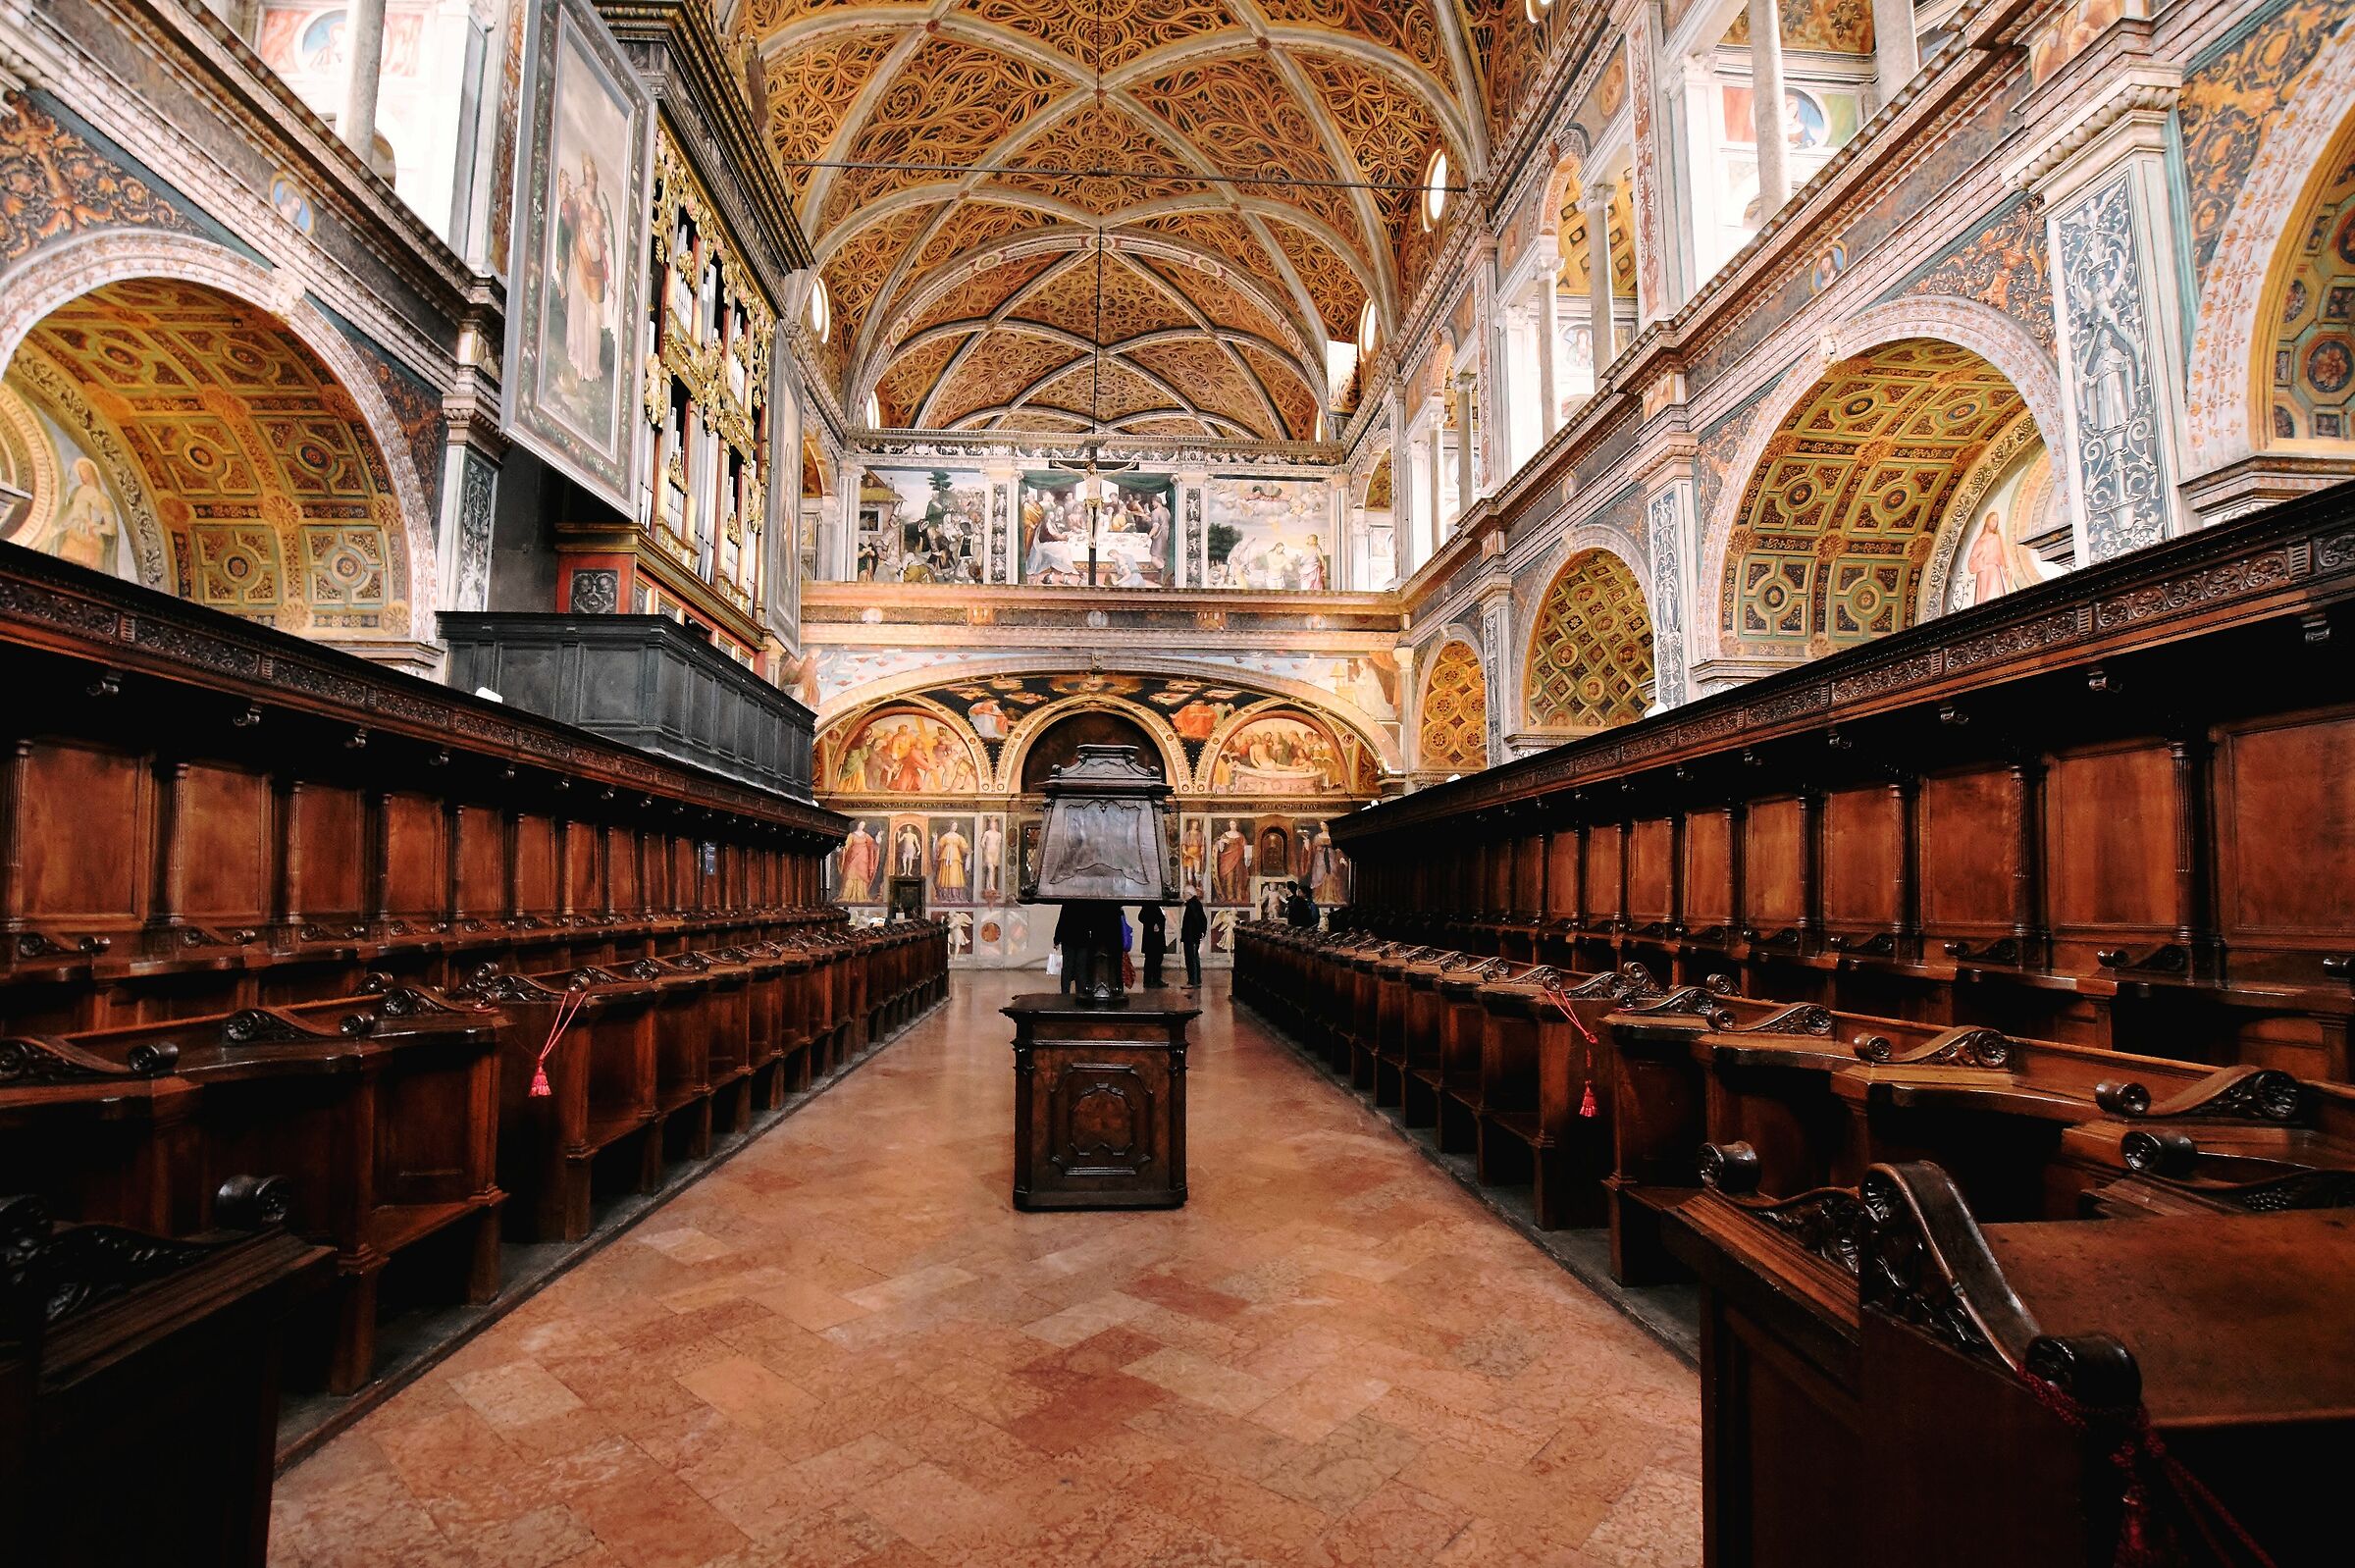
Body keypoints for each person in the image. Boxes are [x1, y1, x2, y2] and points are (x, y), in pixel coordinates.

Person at [1180, 890, 1207, 987]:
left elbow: (1199, 920)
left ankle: (1193, 981)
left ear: (1190, 894)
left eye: (1184, 894)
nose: (1183, 895)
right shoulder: (1195, 904)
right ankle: (1197, 981)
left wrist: (1199, 933)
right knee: (1194, 958)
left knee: (1191, 959)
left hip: (1191, 936)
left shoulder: (1192, 905)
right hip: (1193, 936)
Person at [1139, 903, 1167, 989]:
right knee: (1150, 959)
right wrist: (1152, 924)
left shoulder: (1156, 906)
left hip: (1157, 937)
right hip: (1151, 937)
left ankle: (1156, 979)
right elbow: (1141, 917)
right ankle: (1148, 980)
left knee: (1158, 958)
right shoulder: (1148, 905)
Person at [1052, 903, 1077, 994]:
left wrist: (1057, 939)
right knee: (1081, 968)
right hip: (1083, 940)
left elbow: (1062, 921)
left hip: (1068, 939)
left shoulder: (1067, 904)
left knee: (1067, 967)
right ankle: (1081, 992)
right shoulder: (1085, 903)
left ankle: (1065, 993)